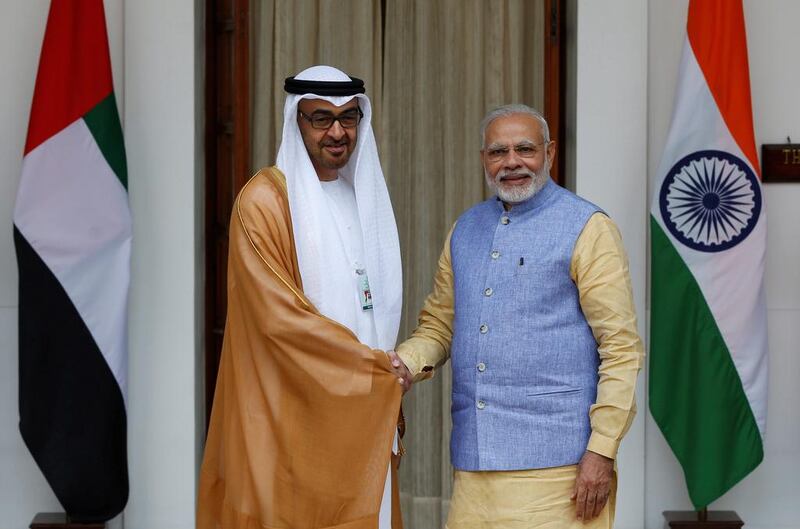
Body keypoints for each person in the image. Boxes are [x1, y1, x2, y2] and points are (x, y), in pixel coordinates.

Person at [392, 104, 644, 528]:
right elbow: (439, 324)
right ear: (483, 160)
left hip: (559, 472)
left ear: (550, 154)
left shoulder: (587, 226)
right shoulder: (467, 228)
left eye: (524, 149)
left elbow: (620, 347)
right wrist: (403, 365)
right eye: (497, 152)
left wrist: (601, 451)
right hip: (473, 469)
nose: (511, 162)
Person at [197, 65, 408, 529]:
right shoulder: (266, 203)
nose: (337, 132)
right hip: (292, 417)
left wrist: (378, 376)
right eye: (321, 119)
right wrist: (373, 369)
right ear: (297, 122)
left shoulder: (360, 197)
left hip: (363, 410)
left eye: (348, 118)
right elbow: (279, 321)